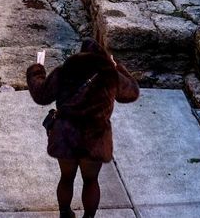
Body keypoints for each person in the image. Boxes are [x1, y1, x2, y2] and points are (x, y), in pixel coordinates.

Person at [27, 39, 139, 218]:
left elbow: (41, 95)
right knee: (91, 181)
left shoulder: (65, 71)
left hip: (65, 136)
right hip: (95, 139)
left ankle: (65, 214)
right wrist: (118, 67)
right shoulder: (110, 74)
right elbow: (132, 93)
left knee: (66, 178)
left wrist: (37, 70)